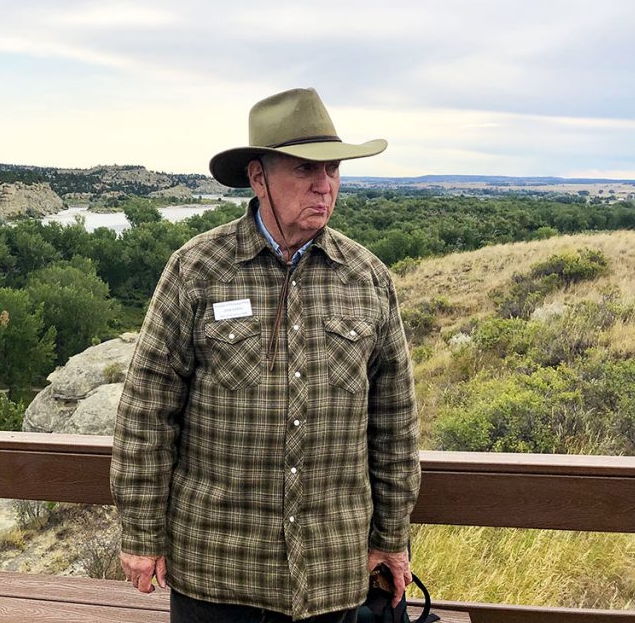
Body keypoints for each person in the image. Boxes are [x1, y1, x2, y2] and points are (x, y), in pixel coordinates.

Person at [111, 88, 421, 622]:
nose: (324, 186)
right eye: (305, 170)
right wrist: (141, 531)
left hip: (333, 571)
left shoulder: (367, 278)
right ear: (258, 177)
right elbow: (146, 410)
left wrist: (391, 536)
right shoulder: (197, 270)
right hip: (217, 570)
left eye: (333, 170)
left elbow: (394, 422)